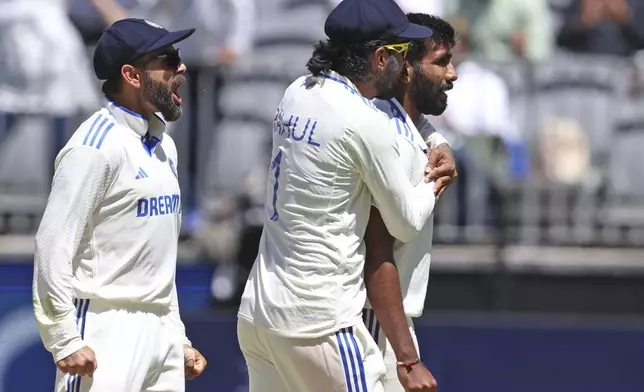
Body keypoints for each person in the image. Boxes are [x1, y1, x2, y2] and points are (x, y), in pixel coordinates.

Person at [236, 0, 441, 391]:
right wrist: (436, 176)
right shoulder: (363, 122)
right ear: (381, 57)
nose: (407, 66)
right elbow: (407, 222)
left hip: (259, 314)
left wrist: (435, 137)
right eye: (401, 53)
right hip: (320, 322)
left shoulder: (297, 92)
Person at [32, 18, 207, 392]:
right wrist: (63, 337)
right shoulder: (94, 148)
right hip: (102, 329)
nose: (182, 67)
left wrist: (177, 335)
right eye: (168, 58)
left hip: (160, 333)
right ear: (131, 74)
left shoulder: (164, 145)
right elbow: (52, 245)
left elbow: (156, 257)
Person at [366, 13, 458, 392]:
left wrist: (438, 142)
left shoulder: (405, 126)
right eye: (440, 62)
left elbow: (411, 123)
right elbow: (376, 254)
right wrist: (408, 359)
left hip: (388, 321)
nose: (451, 74)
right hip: (371, 321)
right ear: (405, 69)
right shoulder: (385, 138)